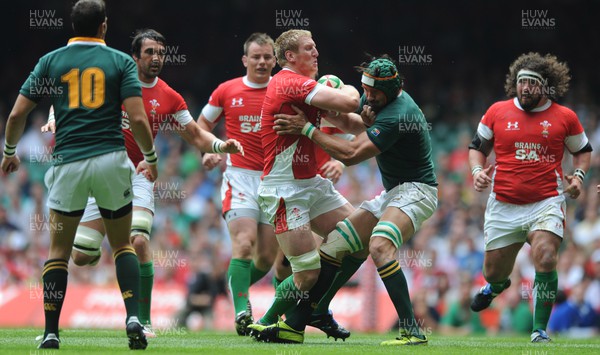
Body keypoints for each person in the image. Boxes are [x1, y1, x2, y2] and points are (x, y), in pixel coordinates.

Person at [41, 29, 243, 337]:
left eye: (160, 53)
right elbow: (72, 94)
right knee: (81, 256)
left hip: (139, 173)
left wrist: (218, 145)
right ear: (135, 56)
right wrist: (56, 116)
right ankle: (99, 246)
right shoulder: (112, 79)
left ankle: (142, 321)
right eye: (149, 52)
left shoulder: (169, 97)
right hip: (101, 171)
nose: (156, 58)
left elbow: (195, 134)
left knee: (138, 240)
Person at [1, 0, 157, 349]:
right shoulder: (120, 61)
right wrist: (150, 157)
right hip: (112, 162)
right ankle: (133, 316)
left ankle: (52, 332)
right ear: (104, 26)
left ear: (74, 27)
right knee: (121, 244)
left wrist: (10, 153)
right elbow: (138, 119)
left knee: (58, 251)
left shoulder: (51, 60)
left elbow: (15, 116)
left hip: (68, 162)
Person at [250, 55, 438, 346]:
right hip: (393, 193)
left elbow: (350, 155)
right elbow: (353, 122)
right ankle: (300, 321)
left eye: (373, 93)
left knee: (379, 245)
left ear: (388, 91)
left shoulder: (398, 114)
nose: (367, 97)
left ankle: (411, 331)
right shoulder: (382, 102)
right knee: (338, 244)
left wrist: (308, 128)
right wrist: (326, 113)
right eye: (365, 89)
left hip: (417, 191)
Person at [197, 32, 357, 339]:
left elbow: (349, 124)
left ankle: (299, 311)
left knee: (273, 259)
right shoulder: (234, 90)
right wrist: (212, 148)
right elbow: (201, 125)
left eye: (266, 56)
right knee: (246, 245)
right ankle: (247, 311)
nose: (261, 61)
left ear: (275, 59)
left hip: (300, 180)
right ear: (245, 60)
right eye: (255, 57)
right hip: (250, 177)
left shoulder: (297, 87)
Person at [246, 28, 370, 342]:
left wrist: (368, 116)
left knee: (359, 239)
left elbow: (352, 122)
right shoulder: (289, 82)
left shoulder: (307, 90)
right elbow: (351, 101)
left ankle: (318, 308)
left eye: (315, 48)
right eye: (309, 49)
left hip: (310, 183)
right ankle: (266, 321)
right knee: (307, 272)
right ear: (290, 57)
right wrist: (351, 91)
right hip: (284, 189)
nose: (316, 53)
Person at [468, 52, 592, 343]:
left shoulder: (565, 117)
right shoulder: (497, 111)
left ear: (545, 87)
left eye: (532, 83)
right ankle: (496, 287)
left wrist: (579, 177)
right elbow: (477, 147)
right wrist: (476, 171)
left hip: (546, 201)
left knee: (546, 257)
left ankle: (539, 330)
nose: (525, 88)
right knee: (492, 272)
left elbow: (583, 152)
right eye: (521, 82)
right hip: (503, 204)